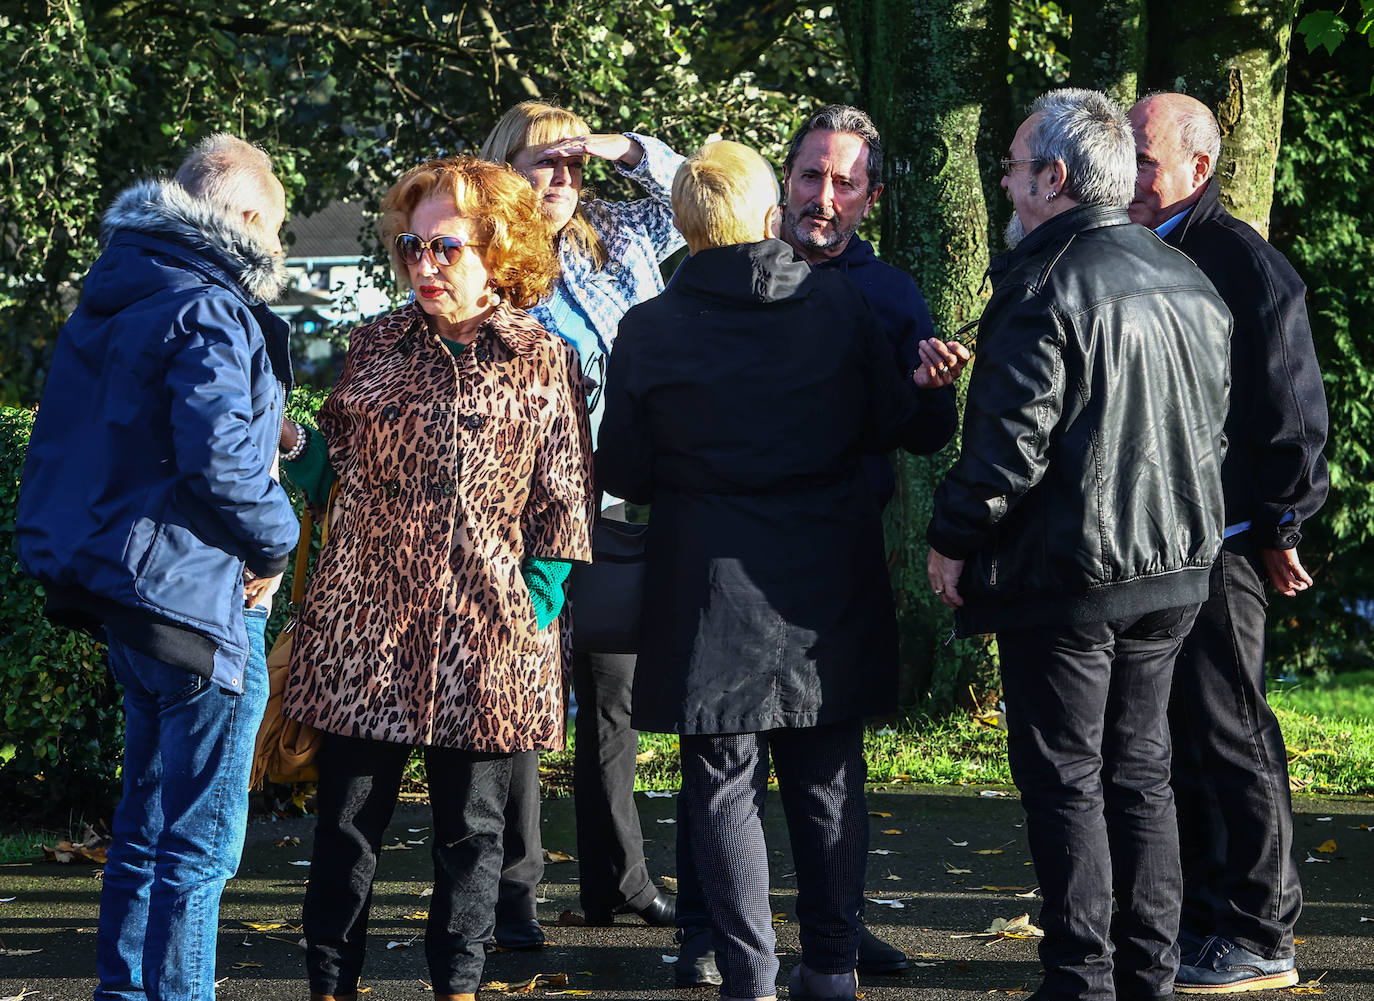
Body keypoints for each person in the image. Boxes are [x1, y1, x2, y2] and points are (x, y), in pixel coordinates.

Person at [598, 139, 966, 1001]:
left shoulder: (649, 328)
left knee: (722, 782)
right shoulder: (837, 305)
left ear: (686, 226)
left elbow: (624, 471)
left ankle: (749, 975)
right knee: (827, 773)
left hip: (707, 581)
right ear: (769, 215)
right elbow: (889, 422)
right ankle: (832, 962)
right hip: (824, 572)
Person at [925, 89, 1232, 1001]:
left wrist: (950, 537)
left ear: (1053, 179)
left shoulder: (1042, 281)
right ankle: (1148, 973)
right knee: (1141, 773)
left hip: (1071, 573)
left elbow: (1007, 449)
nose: (1008, 182)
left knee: (1068, 779)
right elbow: (1210, 427)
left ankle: (1082, 975)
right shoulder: (1187, 276)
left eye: (1016, 166)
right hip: (1172, 563)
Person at [277, 155, 594, 1001]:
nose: (424, 266)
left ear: (497, 248)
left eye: (445, 248)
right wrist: (292, 445)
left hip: (487, 630)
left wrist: (537, 602)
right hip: (367, 623)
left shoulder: (542, 358)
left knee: (472, 834)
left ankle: (457, 986)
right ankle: (330, 985)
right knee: (346, 829)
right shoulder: (374, 342)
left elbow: (563, 498)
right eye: (412, 249)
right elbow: (335, 474)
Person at [15, 134, 298, 1000]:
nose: (276, 253)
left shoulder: (121, 292)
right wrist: (278, 539)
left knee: (143, 819)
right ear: (246, 217)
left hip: (127, 598)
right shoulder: (210, 306)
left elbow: (125, 437)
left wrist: (271, 431)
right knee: (201, 842)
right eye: (276, 231)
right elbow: (217, 460)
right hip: (200, 598)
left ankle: (124, 991)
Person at [1127, 92, 1329, 995]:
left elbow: (1291, 404)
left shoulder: (1242, 262)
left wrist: (1285, 519)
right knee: (1178, 735)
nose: (1127, 174)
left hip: (1228, 536)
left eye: (1141, 157)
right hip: (1162, 535)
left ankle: (1258, 928)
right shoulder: (1146, 248)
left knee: (1227, 725)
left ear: (1197, 168)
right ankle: (1209, 917)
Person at [763, 101, 960, 979]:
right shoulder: (734, 276)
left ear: (869, 197)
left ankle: (834, 930)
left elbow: (925, 435)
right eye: (812, 175)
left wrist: (926, 388)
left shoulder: (890, 293)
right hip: (730, 546)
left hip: (842, 550)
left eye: (846, 182)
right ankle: (708, 931)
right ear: (786, 180)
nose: (825, 195)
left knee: (829, 756)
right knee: (722, 753)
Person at [479, 101, 682, 951]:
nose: (564, 179)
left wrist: (618, 144)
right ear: (503, 172)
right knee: (521, 703)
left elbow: (688, 194)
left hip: (613, 511)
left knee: (613, 699)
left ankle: (620, 879)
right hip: (517, 517)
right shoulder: (475, 257)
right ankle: (512, 889)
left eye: (574, 165)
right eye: (544, 163)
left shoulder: (618, 238)